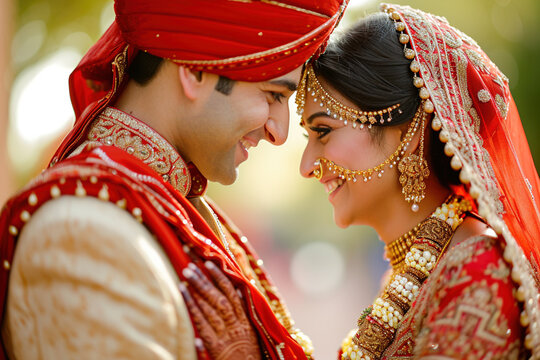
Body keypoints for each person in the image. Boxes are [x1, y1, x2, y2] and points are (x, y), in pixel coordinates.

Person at [0, 0, 348, 359]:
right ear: (196, 69)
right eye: (273, 95)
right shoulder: (78, 233)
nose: (280, 133)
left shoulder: (176, 208)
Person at [295, 4, 540, 359]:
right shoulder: (412, 275)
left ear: (406, 134)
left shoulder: (477, 272)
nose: (306, 166)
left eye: (324, 131)